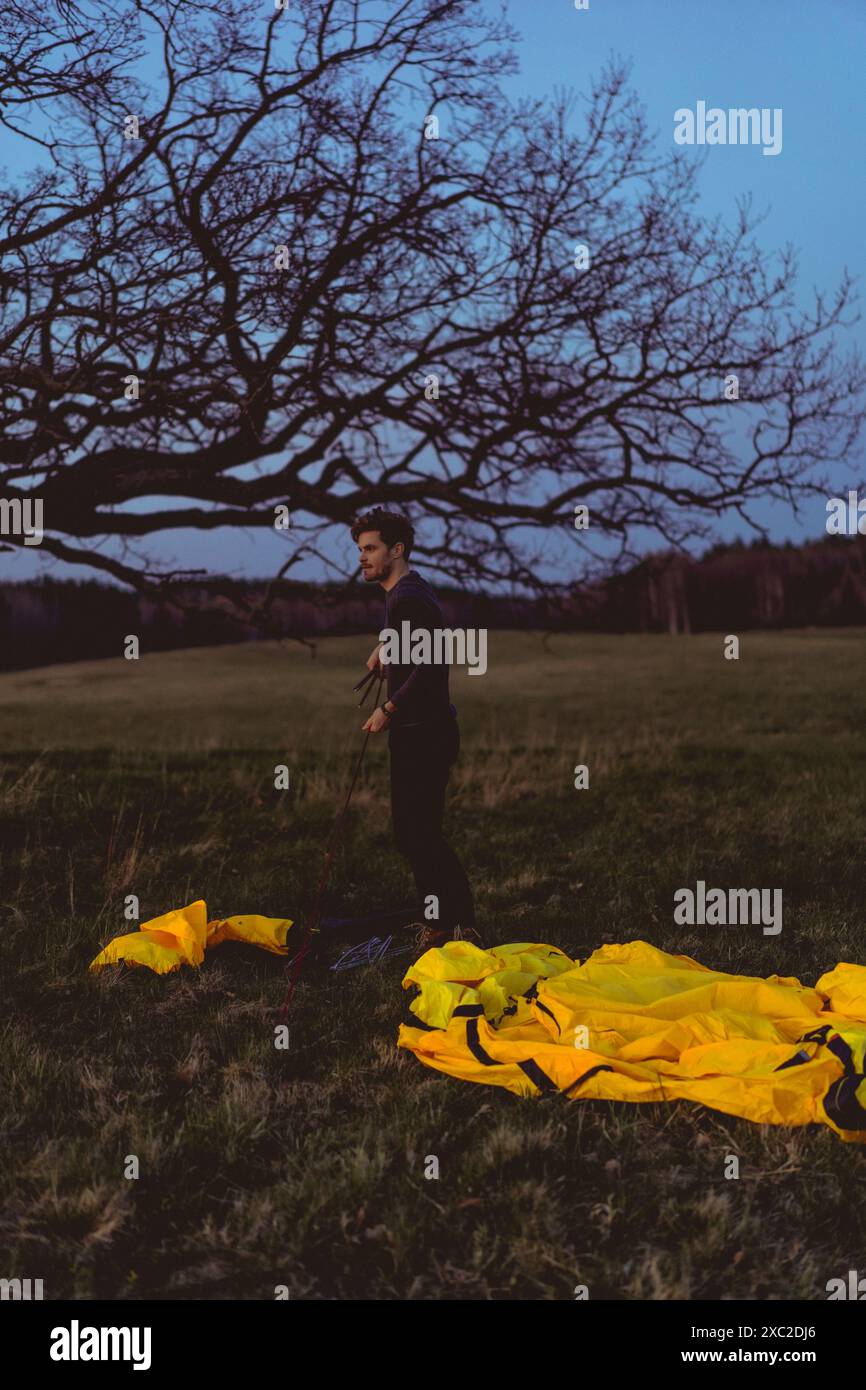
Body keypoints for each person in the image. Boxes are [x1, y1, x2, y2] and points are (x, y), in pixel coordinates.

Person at [351, 508, 479, 947]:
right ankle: (445, 920)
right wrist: (384, 647)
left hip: (424, 732)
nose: (362, 558)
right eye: (360, 550)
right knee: (415, 832)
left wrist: (388, 707)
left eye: (371, 549)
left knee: (417, 833)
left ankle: (455, 922)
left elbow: (430, 665)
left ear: (397, 549)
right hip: (422, 730)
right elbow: (416, 638)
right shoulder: (406, 590)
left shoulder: (406, 597)